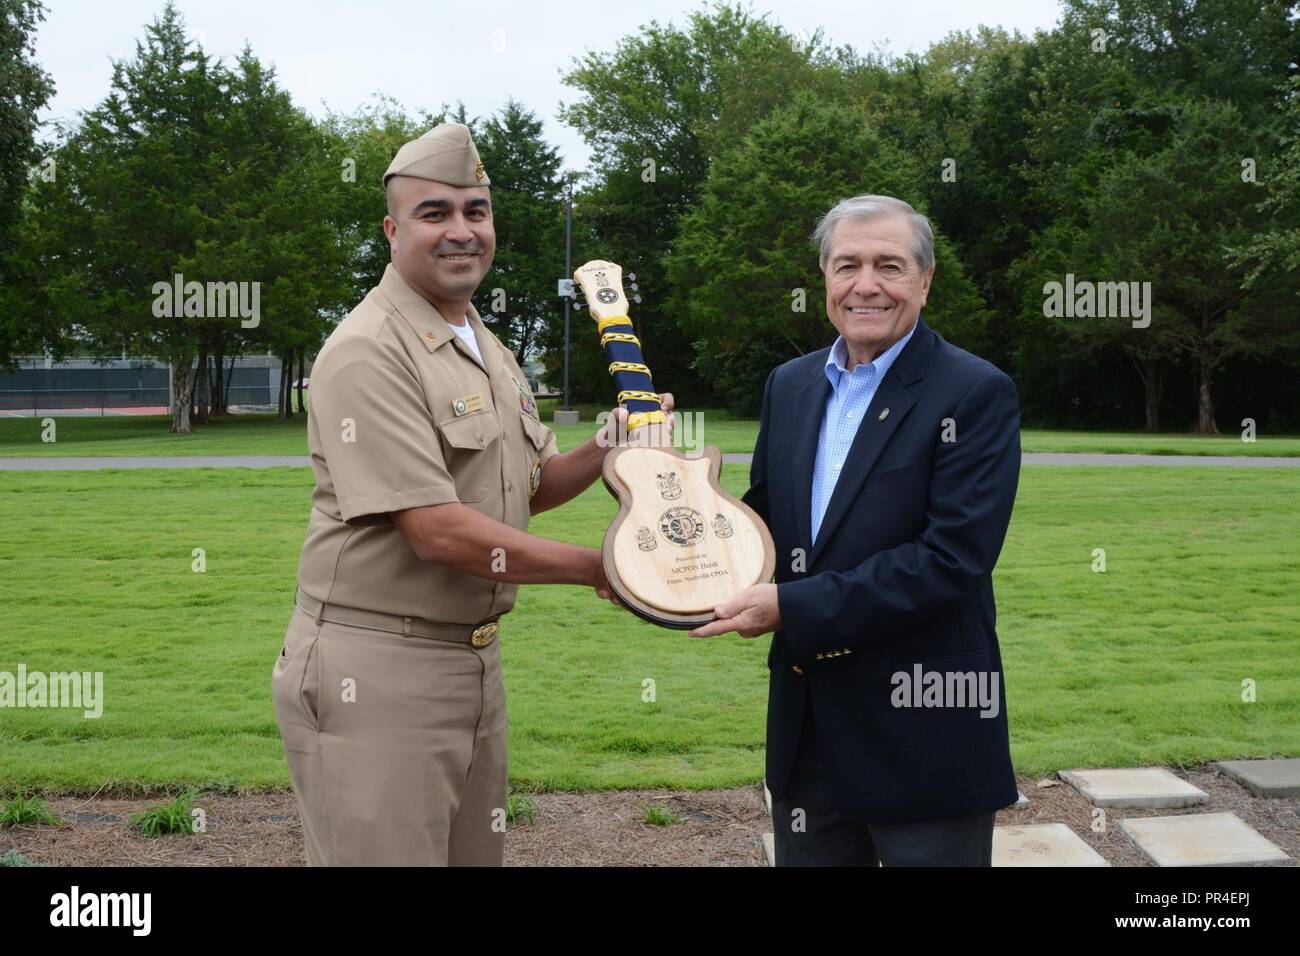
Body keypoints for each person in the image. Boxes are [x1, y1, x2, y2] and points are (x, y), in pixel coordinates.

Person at [271, 122, 670, 866]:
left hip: (473, 662)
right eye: (436, 214)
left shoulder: (482, 343)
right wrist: (607, 569)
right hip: (377, 669)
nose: (462, 231)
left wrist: (612, 443)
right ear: (392, 231)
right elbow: (439, 532)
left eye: (475, 212)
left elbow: (525, 488)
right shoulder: (369, 350)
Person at [692, 194, 1020, 866]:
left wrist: (790, 605)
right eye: (847, 265)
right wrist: (673, 540)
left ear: (925, 282)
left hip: (926, 735)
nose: (865, 284)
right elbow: (764, 526)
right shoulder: (790, 385)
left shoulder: (974, 392)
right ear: (824, 278)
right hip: (808, 733)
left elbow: (950, 560)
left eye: (889, 266)